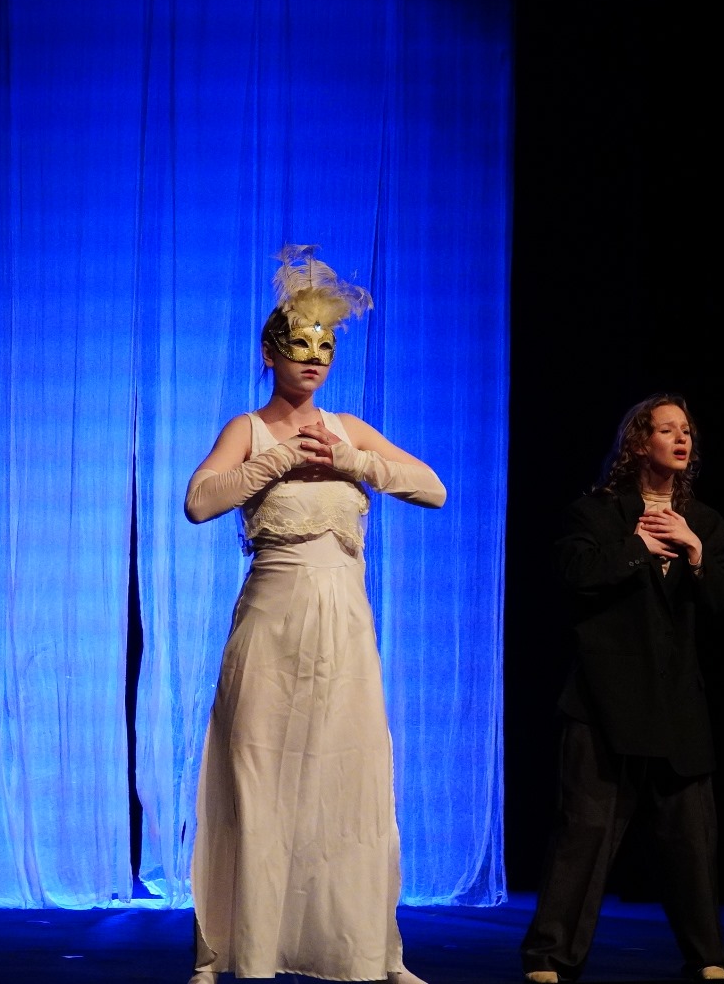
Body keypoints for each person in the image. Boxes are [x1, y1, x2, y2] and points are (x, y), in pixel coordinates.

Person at [183, 245, 446, 984]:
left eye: (326, 347)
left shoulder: (347, 428)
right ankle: (235, 949)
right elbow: (199, 502)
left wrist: (352, 462)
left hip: (346, 628)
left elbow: (433, 488)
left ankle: (367, 950)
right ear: (271, 352)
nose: (314, 358)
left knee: (349, 778)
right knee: (257, 775)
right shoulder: (248, 428)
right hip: (271, 623)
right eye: (300, 345)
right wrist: (276, 461)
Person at [520, 393, 724, 984]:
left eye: (686, 430)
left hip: (676, 705)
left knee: (692, 841)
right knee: (584, 833)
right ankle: (549, 955)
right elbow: (574, 576)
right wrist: (638, 547)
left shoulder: (706, 522)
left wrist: (694, 551)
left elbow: (721, 602)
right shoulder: (595, 513)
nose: (682, 438)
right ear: (640, 442)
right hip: (603, 701)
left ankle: (708, 955)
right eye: (667, 429)